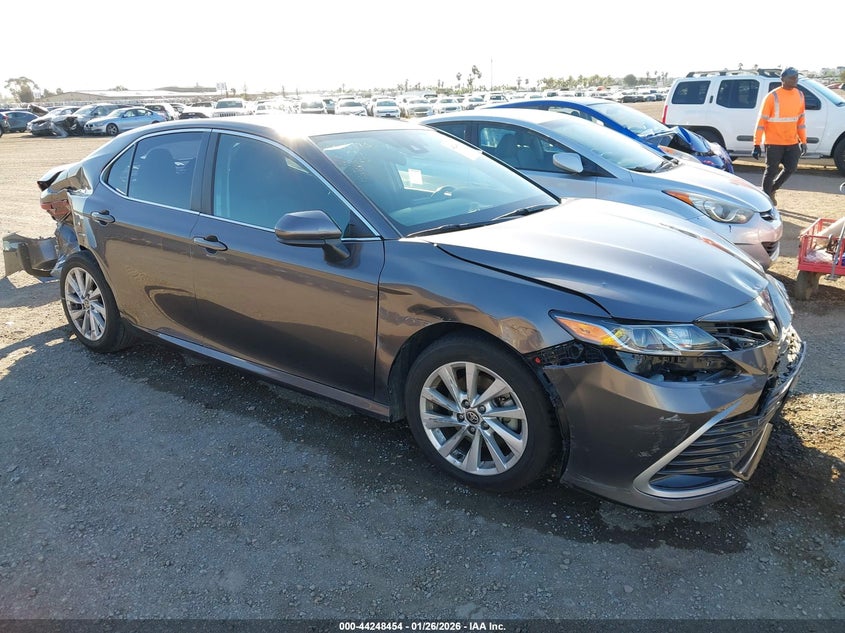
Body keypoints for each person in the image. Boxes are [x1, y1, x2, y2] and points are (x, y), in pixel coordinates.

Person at [752, 67, 807, 206]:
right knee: (771, 170)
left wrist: (803, 141)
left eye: (796, 77)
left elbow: (801, 121)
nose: (795, 80)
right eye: (791, 77)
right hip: (773, 142)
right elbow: (761, 122)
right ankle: (765, 200)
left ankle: (772, 190)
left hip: (792, 141)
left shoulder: (800, 95)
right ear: (782, 79)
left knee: (791, 168)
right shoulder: (772, 96)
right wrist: (756, 144)